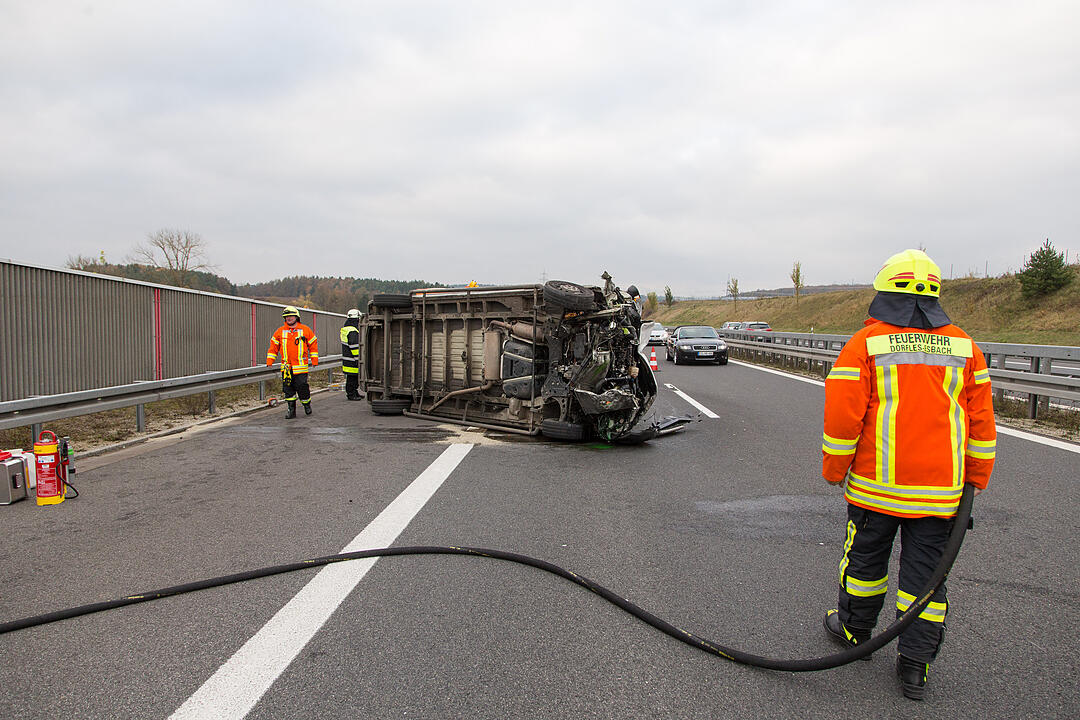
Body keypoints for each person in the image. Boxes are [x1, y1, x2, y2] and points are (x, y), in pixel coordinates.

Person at [820, 249, 996, 701]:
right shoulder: (964, 346)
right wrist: (975, 478)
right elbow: (981, 423)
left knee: (864, 566)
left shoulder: (865, 343)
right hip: (940, 497)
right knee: (926, 580)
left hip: (875, 490)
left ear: (884, 293)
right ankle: (914, 666)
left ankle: (856, 633)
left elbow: (843, 417)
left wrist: (834, 469)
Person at [266, 306, 319, 418]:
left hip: (300, 366)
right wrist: (270, 360)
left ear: (296, 317)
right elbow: (273, 347)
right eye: (286, 317)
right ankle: (291, 411)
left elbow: (313, 345)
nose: (289, 318)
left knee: (302, 387)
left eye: (291, 316)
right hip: (286, 367)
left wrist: (314, 360)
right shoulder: (280, 331)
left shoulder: (305, 330)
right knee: (288, 389)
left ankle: (306, 405)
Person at [340, 309, 363, 400]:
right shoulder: (353, 330)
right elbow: (354, 346)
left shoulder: (347, 328)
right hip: (352, 360)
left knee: (352, 378)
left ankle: (354, 392)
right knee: (352, 379)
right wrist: (359, 359)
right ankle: (351, 394)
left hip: (348, 359)